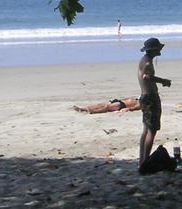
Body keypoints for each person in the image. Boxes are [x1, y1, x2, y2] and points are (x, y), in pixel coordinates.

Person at [137, 37, 171, 170]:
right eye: (158, 48)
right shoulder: (147, 62)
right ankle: (145, 162)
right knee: (152, 130)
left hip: (145, 97)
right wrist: (163, 81)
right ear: (154, 49)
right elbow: (147, 76)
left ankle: (142, 161)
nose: (160, 50)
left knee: (146, 130)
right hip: (150, 98)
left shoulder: (145, 60)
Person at [73, 98, 141, 114]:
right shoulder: (138, 99)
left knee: (106, 107)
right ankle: (84, 108)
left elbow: (137, 107)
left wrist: (129, 109)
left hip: (122, 105)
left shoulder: (141, 102)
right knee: (100, 104)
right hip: (119, 101)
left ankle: (92, 111)